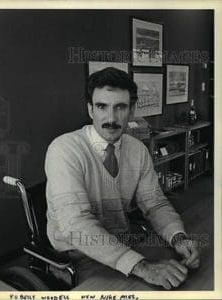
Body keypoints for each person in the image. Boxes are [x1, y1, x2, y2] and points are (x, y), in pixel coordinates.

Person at [45, 67, 200, 290]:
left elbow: (155, 203)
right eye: (102, 107)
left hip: (124, 247)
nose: (111, 118)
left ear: (132, 110)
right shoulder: (64, 150)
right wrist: (144, 268)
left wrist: (178, 237)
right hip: (78, 258)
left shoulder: (137, 150)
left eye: (120, 107)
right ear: (90, 110)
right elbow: (77, 225)